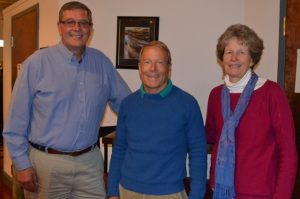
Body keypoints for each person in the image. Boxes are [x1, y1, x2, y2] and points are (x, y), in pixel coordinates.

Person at [3, 1, 131, 198]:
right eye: (70, 22)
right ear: (59, 26)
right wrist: (21, 164)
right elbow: (15, 121)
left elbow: (128, 106)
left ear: (90, 28)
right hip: (46, 165)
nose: (77, 28)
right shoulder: (36, 63)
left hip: (90, 163)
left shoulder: (102, 63)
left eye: (83, 23)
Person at [205, 24, 298, 199]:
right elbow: (210, 136)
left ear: (252, 59)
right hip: (219, 189)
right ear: (221, 58)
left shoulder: (271, 92)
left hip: (259, 193)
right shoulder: (216, 94)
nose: (234, 58)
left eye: (242, 52)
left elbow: (288, 152)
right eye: (228, 52)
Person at [107, 41, 207, 199]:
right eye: (147, 62)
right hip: (127, 191)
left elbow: (198, 153)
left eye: (160, 62)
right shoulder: (128, 104)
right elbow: (119, 148)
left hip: (169, 193)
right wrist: (112, 191)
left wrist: (197, 195)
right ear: (140, 67)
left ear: (169, 68)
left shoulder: (187, 104)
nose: (152, 69)